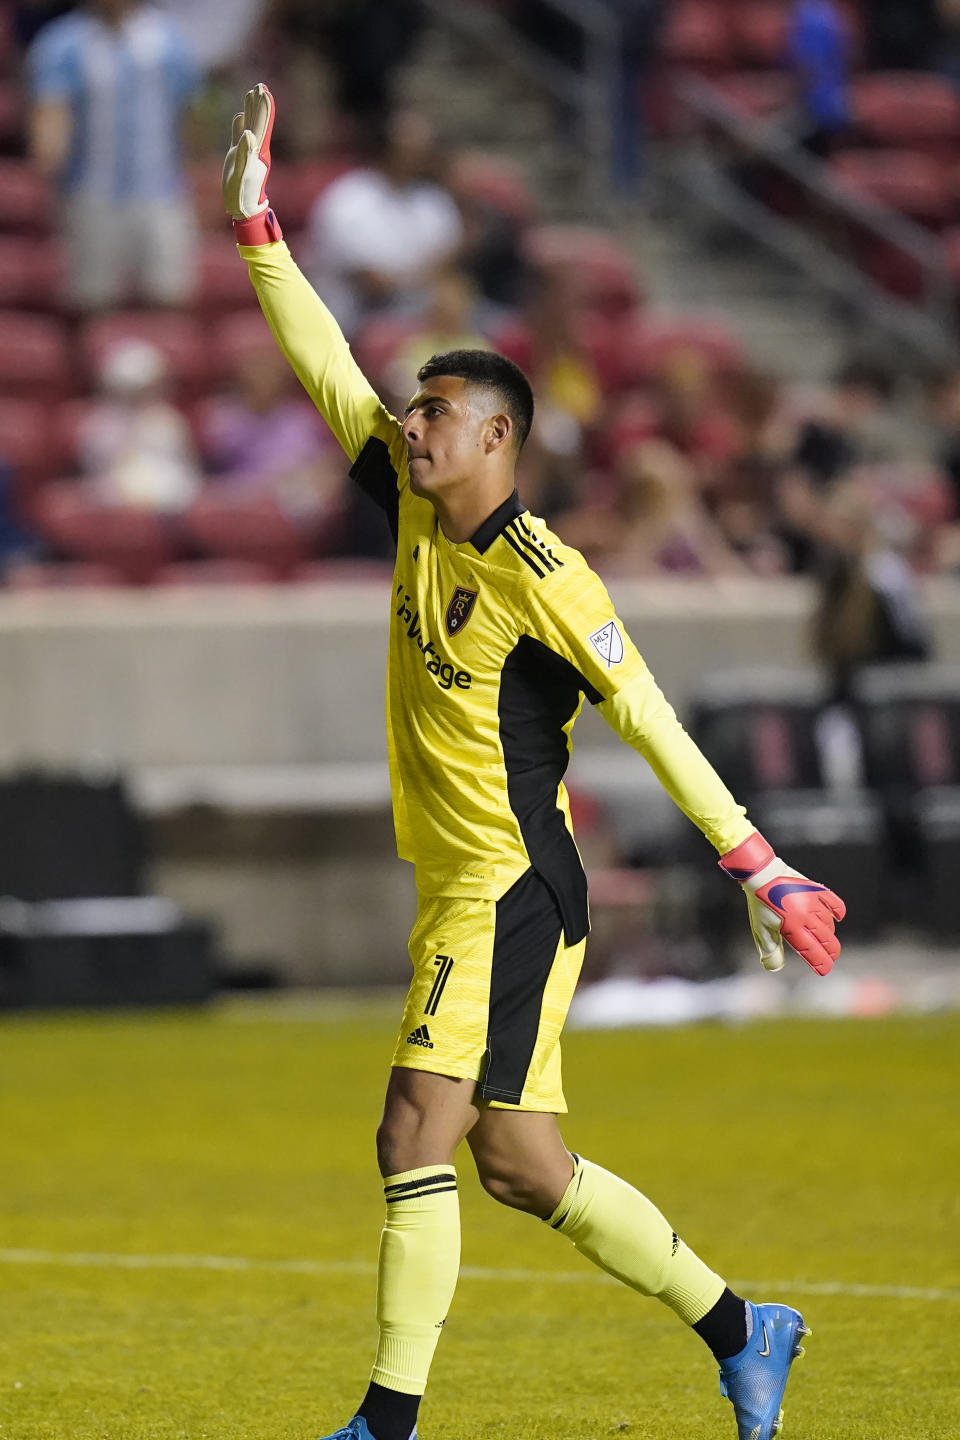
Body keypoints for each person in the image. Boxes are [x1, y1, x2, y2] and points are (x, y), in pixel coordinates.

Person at [224, 86, 846, 1440]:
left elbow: (653, 718)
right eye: (414, 410)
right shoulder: (406, 503)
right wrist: (261, 231)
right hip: (470, 877)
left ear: (497, 437)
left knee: (411, 1133)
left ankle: (385, 1428)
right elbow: (328, 364)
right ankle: (749, 1331)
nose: (410, 423)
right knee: (519, 1160)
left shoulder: (545, 574)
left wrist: (758, 859)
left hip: (508, 884)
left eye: (436, 412)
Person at [27, 0, 200, 312]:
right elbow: (50, 118)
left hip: (162, 190)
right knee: (93, 298)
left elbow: (188, 112)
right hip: (91, 190)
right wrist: (49, 163)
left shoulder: (169, 39)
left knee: (170, 295)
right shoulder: (62, 42)